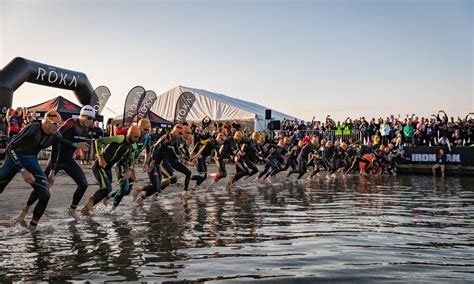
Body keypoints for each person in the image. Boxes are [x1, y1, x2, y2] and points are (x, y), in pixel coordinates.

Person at [24, 105, 96, 220]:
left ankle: (72, 209)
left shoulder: (88, 128)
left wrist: (78, 149)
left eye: (92, 118)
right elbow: (58, 137)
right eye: (87, 117)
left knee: (83, 184)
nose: (89, 120)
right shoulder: (71, 122)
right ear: (81, 116)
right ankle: (26, 209)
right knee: (43, 187)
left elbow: (78, 139)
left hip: (68, 160)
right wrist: (75, 145)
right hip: (56, 159)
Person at [1, 110, 62, 230]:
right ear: (46, 122)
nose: (58, 127)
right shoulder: (33, 129)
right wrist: (23, 171)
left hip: (31, 160)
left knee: (45, 194)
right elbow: (10, 149)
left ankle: (32, 228)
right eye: (55, 124)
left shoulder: (57, 135)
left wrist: (52, 172)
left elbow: (55, 153)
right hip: (14, 158)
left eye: (60, 124)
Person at [81, 125, 140, 215]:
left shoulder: (133, 146)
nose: (137, 140)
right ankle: (91, 199)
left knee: (107, 190)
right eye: (135, 137)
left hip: (108, 169)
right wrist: (100, 157)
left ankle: (86, 209)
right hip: (99, 166)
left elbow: (132, 159)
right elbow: (99, 141)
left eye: (138, 137)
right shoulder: (120, 138)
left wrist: (130, 169)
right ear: (130, 134)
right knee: (106, 188)